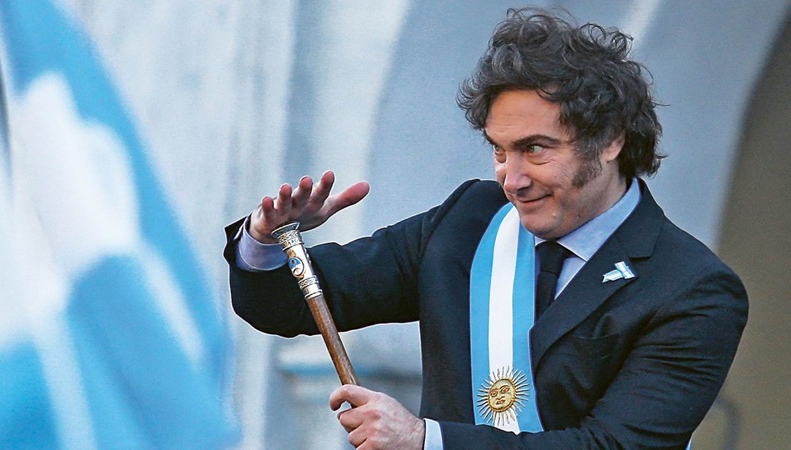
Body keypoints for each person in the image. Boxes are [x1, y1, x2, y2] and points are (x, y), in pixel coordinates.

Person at [223, 7, 748, 450]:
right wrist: (267, 240)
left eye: (535, 149)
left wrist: (425, 439)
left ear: (610, 140)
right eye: (500, 151)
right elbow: (290, 304)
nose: (511, 180)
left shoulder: (693, 289)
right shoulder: (470, 219)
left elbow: (614, 446)